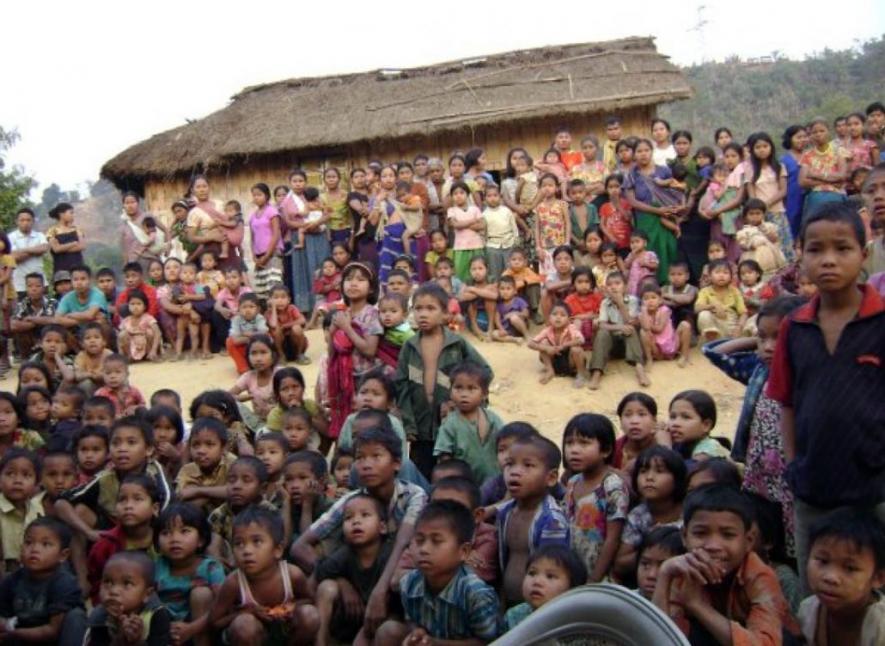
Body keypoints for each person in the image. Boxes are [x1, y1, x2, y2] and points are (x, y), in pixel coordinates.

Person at [767, 202, 885, 594]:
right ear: (800, 255)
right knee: (817, 592)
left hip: (875, 487)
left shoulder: (881, 322)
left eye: (842, 249)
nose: (828, 260)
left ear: (863, 255)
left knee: (874, 590)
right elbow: (786, 401)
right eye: (816, 250)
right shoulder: (795, 327)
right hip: (812, 486)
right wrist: (793, 463)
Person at [292, 427, 427, 640]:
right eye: (360, 457)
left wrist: (379, 591)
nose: (366, 464)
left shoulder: (414, 496)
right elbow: (300, 546)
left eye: (376, 456)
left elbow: (403, 542)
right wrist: (342, 581)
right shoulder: (351, 500)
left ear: (397, 463)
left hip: (392, 586)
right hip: (356, 576)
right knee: (327, 586)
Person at [653, 485, 797, 644]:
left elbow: (765, 643)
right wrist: (664, 574)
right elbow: (657, 638)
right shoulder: (681, 570)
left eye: (727, 535)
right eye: (700, 533)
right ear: (685, 537)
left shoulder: (759, 575)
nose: (713, 546)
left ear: (748, 541)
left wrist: (698, 606)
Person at [395, 283, 492, 478]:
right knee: (421, 476)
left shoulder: (457, 344)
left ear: (446, 314)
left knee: (454, 475)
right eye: (418, 308)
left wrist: (461, 401)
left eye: (431, 308)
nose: (423, 314)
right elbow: (401, 385)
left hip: (453, 425)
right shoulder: (410, 346)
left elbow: (485, 372)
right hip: (420, 429)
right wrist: (408, 423)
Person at [374, 500, 501, 646]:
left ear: (463, 551)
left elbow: (489, 642)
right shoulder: (409, 584)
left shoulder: (476, 594)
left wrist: (435, 643)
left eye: (436, 541)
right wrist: (417, 634)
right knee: (388, 631)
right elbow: (411, 621)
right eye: (419, 540)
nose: (424, 549)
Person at [497, 433, 569, 606]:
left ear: (551, 478)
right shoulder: (506, 512)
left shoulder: (552, 521)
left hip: (540, 607)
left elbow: (553, 571)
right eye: (509, 464)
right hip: (509, 604)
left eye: (528, 465)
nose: (514, 472)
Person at [798, 509, 885, 645]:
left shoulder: (881, 626)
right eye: (822, 561)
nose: (831, 577)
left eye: (850, 568)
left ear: (878, 578)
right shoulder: (807, 611)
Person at [313, 494, 391, 646]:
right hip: (351, 619)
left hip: (381, 622)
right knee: (327, 587)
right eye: (348, 518)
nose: (356, 521)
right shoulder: (346, 553)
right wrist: (343, 584)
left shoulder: (388, 554)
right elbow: (321, 572)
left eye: (365, 515)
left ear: (382, 527)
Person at [561, 414, 628, 582]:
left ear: (606, 450)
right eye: (569, 443)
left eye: (584, 443)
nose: (574, 450)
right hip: (573, 573)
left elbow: (613, 538)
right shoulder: (573, 483)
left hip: (600, 577)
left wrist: (595, 579)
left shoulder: (612, 486)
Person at [0, 516, 86, 645]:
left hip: (51, 640)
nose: (34, 549)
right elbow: (4, 616)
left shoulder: (64, 583)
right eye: (28, 542)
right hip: (19, 638)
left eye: (45, 544)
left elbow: (52, 631)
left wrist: (13, 633)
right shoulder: (12, 580)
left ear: (63, 555)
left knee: (75, 616)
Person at [154, 503, 223, 646]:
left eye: (184, 531)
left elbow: (222, 607)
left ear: (201, 540)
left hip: (200, 627)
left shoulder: (210, 568)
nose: (174, 539)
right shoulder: (157, 567)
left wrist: (191, 628)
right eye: (166, 533)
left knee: (201, 594)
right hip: (166, 629)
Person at [614, 446, 687, 578]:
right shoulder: (638, 515)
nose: (649, 478)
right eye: (643, 471)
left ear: (678, 479)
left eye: (660, 471)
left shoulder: (691, 513)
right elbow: (621, 563)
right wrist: (652, 547)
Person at [86, 474, 160, 604]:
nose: (128, 506)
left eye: (137, 499)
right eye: (122, 500)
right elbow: (97, 584)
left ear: (154, 508)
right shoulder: (105, 545)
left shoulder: (162, 540)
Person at [432, 362, 503, 484]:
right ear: (450, 391)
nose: (464, 394)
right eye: (458, 388)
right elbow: (444, 457)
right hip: (464, 485)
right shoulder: (450, 424)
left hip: (495, 482)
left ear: (484, 394)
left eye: (471, 388)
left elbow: (506, 443)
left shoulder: (493, 419)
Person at [85, 550, 172, 645]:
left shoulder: (157, 614)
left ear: (147, 594)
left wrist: (136, 641)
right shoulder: (99, 615)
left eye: (127, 583)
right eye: (108, 582)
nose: (113, 591)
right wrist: (120, 638)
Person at [503, 545, 588, 631]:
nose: (537, 582)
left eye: (550, 576)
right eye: (532, 573)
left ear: (572, 588)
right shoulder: (513, 616)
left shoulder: (576, 624)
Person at [588, 271, 648, 389]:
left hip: (630, 345)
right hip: (613, 345)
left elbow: (631, 321)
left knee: (631, 329)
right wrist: (620, 327)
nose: (613, 287)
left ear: (625, 286)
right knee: (602, 332)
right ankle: (597, 372)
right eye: (609, 285)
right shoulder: (605, 302)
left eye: (617, 283)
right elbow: (602, 325)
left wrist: (620, 303)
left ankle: (639, 368)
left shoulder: (632, 300)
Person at [175, 418, 233, 513]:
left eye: (209, 444)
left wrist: (198, 491)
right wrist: (218, 492)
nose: (201, 451)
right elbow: (187, 507)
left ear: (223, 448)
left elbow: (236, 491)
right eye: (196, 445)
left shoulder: (231, 462)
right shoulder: (187, 470)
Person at [185, 176, 243, 272]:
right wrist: (210, 238)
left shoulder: (220, 204)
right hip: (210, 253)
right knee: (212, 282)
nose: (202, 190)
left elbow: (232, 225)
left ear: (209, 187)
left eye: (204, 186)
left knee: (232, 279)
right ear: (192, 190)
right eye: (198, 187)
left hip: (228, 249)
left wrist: (239, 247)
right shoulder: (194, 213)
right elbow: (191, 237)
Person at [0, 448, 44, 572]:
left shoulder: (39, 510)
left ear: (37, 483)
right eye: (10, 474)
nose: (18, 481)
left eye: (26, 475)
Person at [527, 301, 588, 387]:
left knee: (576, 349)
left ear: (569, 320)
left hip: (570, 362)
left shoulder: (571, 328)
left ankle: (580, 375)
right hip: (555, 360)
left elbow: (581, 340)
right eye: (554, 314)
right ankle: (550, 370)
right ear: (549, 318)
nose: (558, 318)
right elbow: (530, 343)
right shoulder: (548, 330)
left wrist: (564, 345)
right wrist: (547, 348)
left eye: (563, 315)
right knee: (543, 343)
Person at [799, 118, 848, 220]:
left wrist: (815, 175)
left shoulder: (839, 151)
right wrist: (831, 180)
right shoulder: (807, 155)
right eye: (814, 132)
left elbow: (842, 176)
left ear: (828, 132)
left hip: (836, 196)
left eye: (822, 131)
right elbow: (802, 181)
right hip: (816, 198)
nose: (818, 134)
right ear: (811, 135)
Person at [639, 282, 692, 369]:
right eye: (646, 299)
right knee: (643, 332)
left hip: (671, 345)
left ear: (660, 300)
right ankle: (649, 359)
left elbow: (659, 329)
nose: (650, 301)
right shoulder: (642, 314)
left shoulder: (664, 310)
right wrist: (644, 311)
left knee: (685, 325)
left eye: (653, 297)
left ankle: (684, 356)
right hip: (656, 350)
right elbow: (646, 328)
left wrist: (647, 324)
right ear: (642, 301)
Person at [668, 390, 730, 461]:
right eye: (672, 417)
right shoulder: (681, 443)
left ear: (706, 425)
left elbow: (688, 470)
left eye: (686, 417)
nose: (675, 423)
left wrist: (665, 447)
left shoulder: (708, 450)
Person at [695, 259, 748, 340]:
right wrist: (712, 306)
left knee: (754, 320)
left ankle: (732, 341)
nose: (721, 275)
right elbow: (696, 308)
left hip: (732, 324)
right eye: (717, 272)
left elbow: (743, 313)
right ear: (709, 276)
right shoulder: (704, 291)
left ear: (731, 276)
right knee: (704, 314)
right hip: (714, 324)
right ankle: (713, 343)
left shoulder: (735, 291)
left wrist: (739, 327)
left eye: (725, 273)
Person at [10, 273, 58, 358]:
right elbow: (13, 325)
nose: (34, 289)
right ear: (26, 288)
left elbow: (55, 320)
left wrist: (30, 319)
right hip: (31, 338)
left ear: (43, 288)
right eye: (30, 286)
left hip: (50, 337)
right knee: (20, 332)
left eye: (38, 286)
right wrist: (38, 322)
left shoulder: (52, 302)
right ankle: (25, 359)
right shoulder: (22, 303)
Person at [635, 526, 685, 601]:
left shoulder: (691, 608)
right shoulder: (624, 602)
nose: (651, 575)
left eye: (663, 566)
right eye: (645, 565)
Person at [8, 208, 48, 299]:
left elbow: (44, 248)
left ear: (33, 221)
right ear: (16, 221)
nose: (25, 223)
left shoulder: (40, 235)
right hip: (19, 284)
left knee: (42, 311)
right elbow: (14, 258)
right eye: (22, 220)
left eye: (28, 220)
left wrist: (22, 251)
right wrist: (35, 251)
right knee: (20, 311)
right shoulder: (10, 237)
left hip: (40, 282)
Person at [483, 183, 520, 282]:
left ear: (500, 196)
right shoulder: (484, 214)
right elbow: (484, 233)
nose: (492, 198)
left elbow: (514, 227)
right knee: (495, 273)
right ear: (485, 199)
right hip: (492, 246)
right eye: (489, 196)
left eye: (495, 195)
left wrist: (516, 240)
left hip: (509, 244)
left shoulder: (506, 211)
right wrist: (485, 245)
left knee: (511, 271)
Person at [54, 265, 108, 331]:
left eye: (83, 279)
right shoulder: (67, 297)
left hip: (99, 331)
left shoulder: (98, 294)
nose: (79, 283)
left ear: (90, 280)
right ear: (71, 281)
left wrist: (69, 315)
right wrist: (83, 321)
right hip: (77, 330)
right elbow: (57, 319)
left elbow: (89, 315)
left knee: (100, 322)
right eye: (75, 279)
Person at [225, 293, 268, 375]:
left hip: (257, 346)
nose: (248, 310)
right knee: (229, 341)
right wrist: (253, 336)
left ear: (258, 309)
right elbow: (235, 340)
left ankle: (264, 363)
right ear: (239, 309)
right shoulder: (236, 320)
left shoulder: (259, 318)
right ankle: (243, 367)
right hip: (244, 347)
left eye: (251, 307)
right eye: (244, 307)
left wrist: (248, 334)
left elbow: (263, 333)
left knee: (268, 338)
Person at [266, 284, 308, 364]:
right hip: (280, 346)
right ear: (270, 300)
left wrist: (285, 326)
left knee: (296, 328)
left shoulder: (292, 308)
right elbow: (273, 325)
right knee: (276, 329)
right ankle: (281, 356)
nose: (280, 300)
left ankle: (300, 355)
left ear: (289, 300)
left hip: (295, 344)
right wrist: (273, 308)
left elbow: (302, 320)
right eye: (276, 298)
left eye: (283, 297)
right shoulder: (269, 313)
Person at [93, 354, 145, 418]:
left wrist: (135, 408)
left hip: (132, 423)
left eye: (118, 372)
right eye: (108, 373)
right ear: (103, 375)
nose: (112, 376)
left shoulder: (133, 391)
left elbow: (143, 405)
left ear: (127, 374)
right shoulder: (100, 394)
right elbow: (96, 412)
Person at [118, 291, 161, 362]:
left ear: (145, 306)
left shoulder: (148, 318)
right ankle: (130, 356)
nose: (135, 307)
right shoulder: (126, 320)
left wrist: (154, 350)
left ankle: (150, 355)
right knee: (122, 334)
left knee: (150, 332)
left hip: (147, 347)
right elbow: (119, 339)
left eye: (139, 304)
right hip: (133, 347)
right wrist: (120, 354)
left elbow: (158, 333)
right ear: (128, 306)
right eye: (132, 304)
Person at [46, 203, 85, 277]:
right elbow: (56, 249)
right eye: (71, 213)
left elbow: (82, 246)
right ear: (62, 214)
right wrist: (73, 243)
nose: (73, 215)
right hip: (61, 268)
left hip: (78, 268)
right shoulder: (52, 231)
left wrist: (62, 248)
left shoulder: (76, 229)